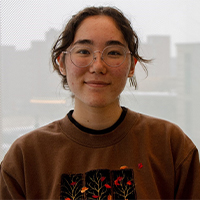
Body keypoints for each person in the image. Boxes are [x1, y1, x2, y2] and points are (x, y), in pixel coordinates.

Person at [0, 6, 200, 200]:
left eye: (113, 53)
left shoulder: (169, 145)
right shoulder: (25, 157)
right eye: (83, 51)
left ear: (132, 66)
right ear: (61, 63)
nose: (97, 66)